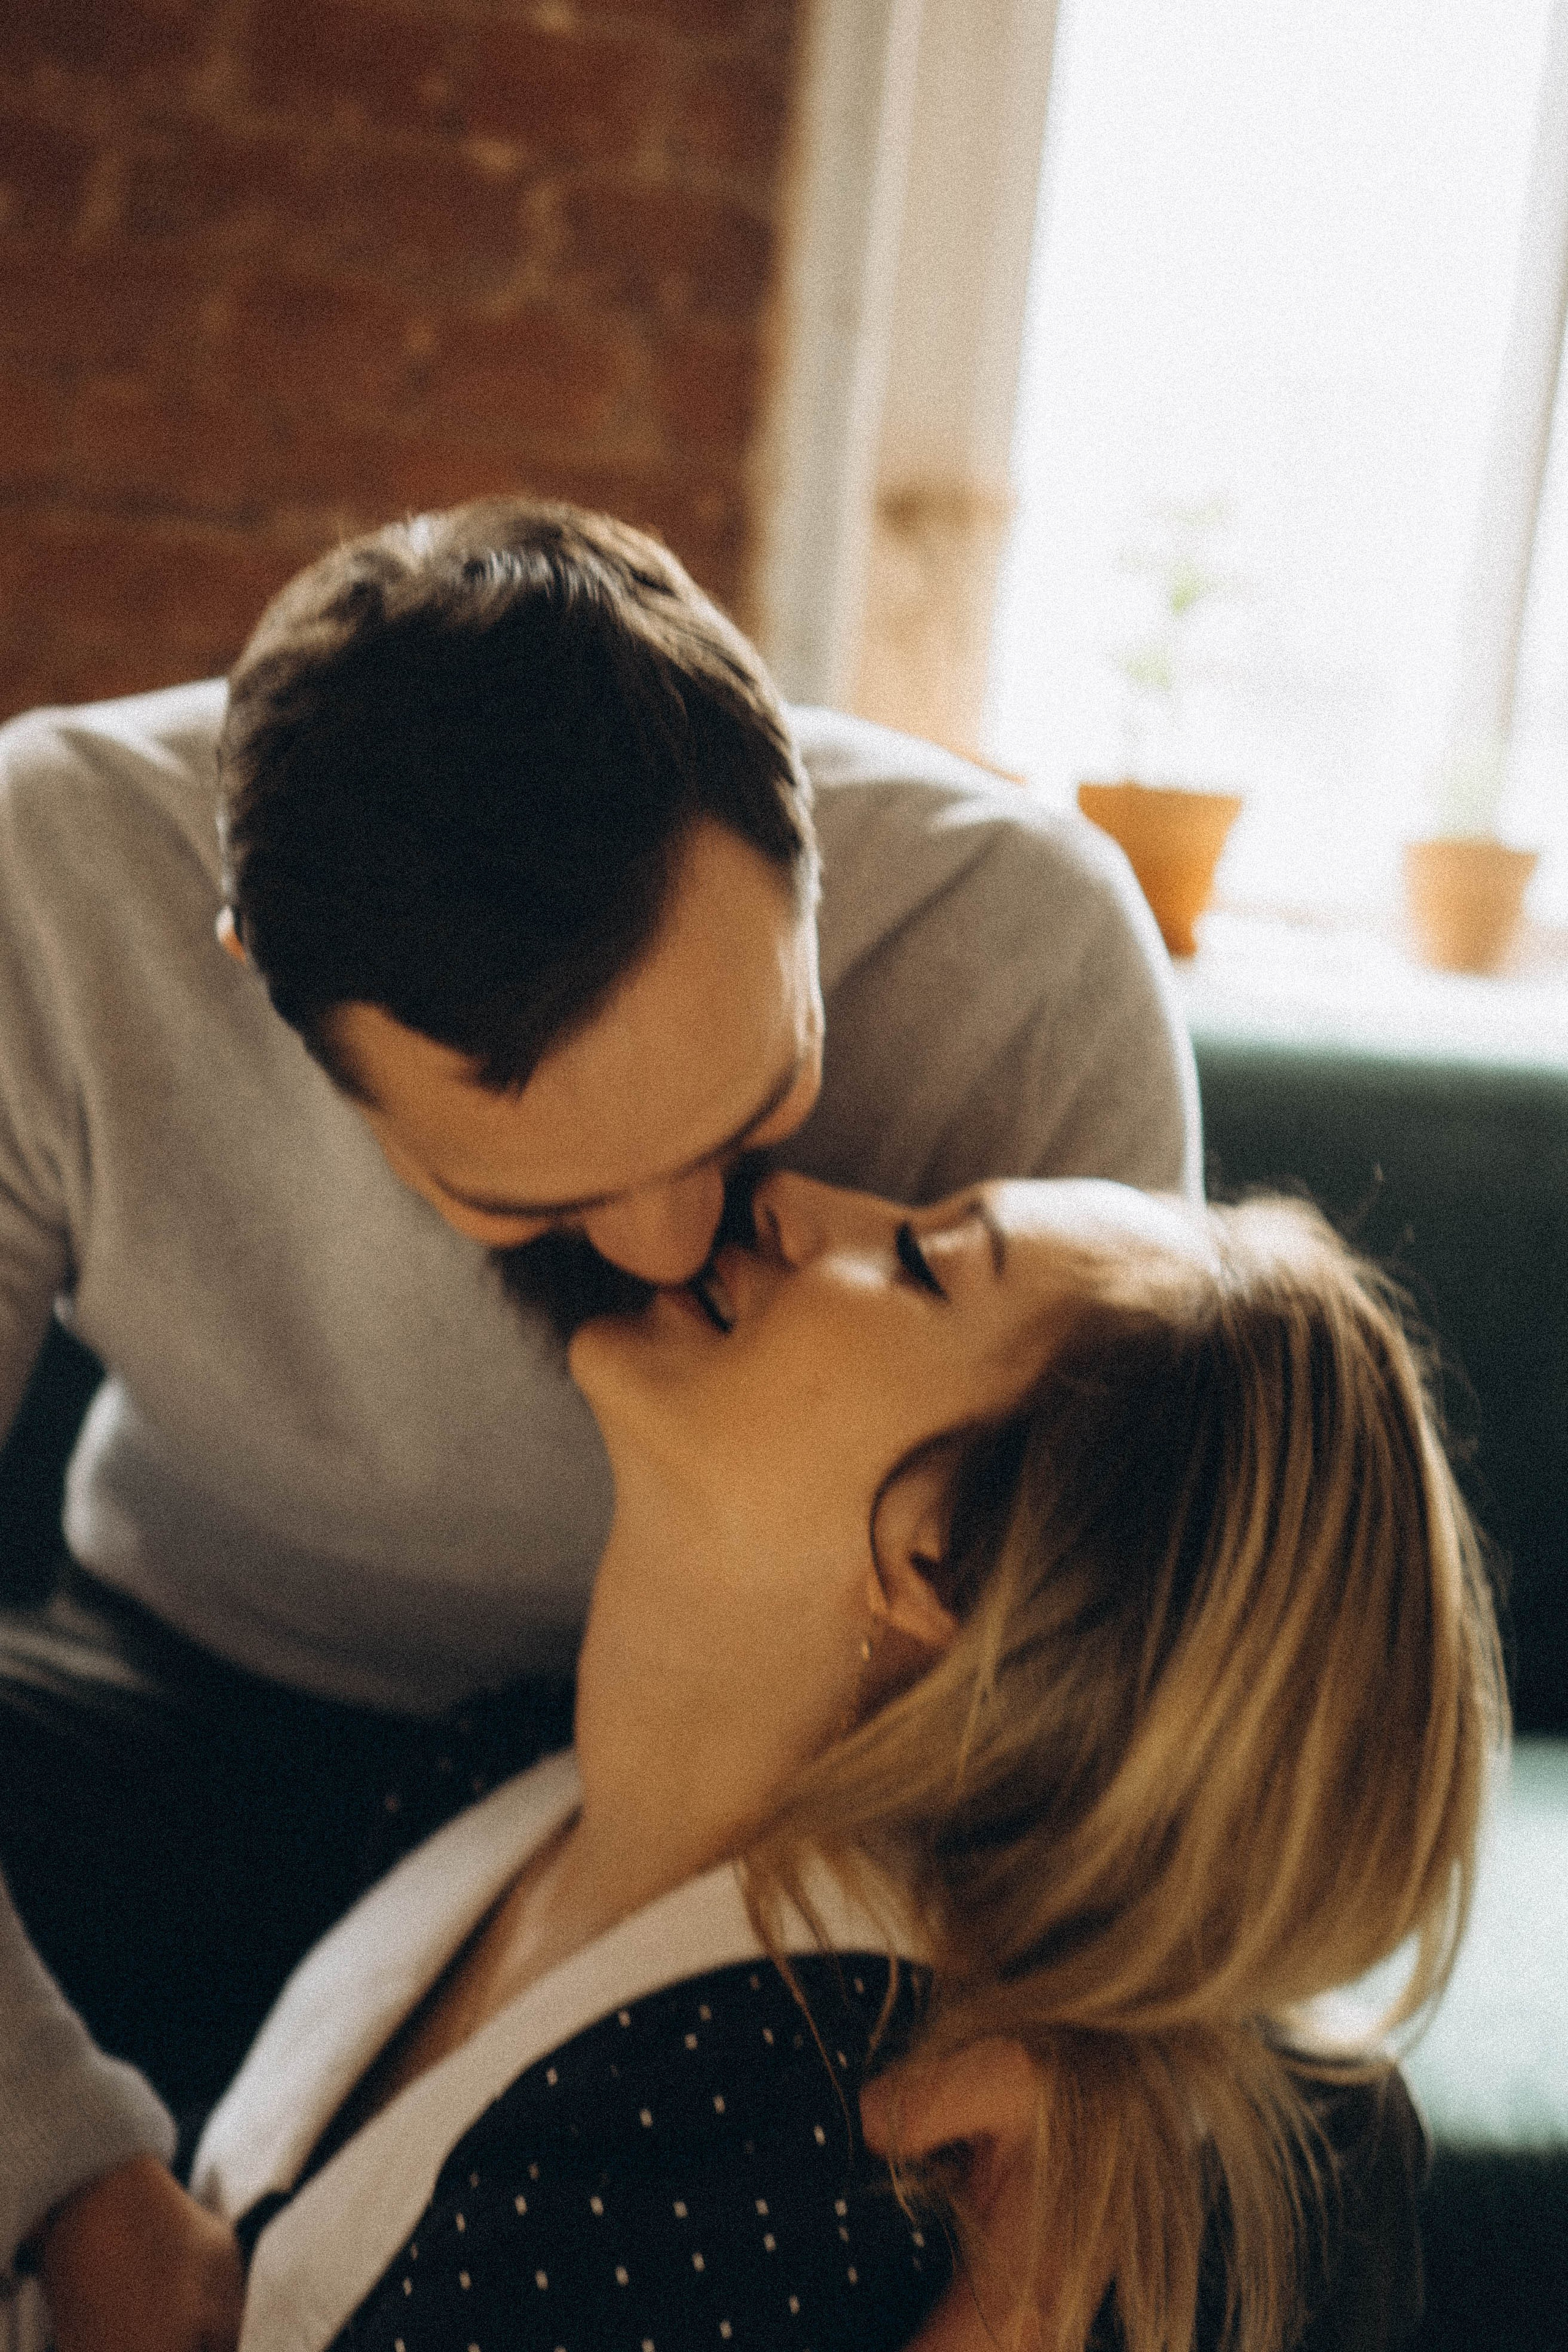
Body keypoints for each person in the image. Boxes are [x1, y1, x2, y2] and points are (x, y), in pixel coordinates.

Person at [0, 500, 1199, 2346]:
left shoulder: (1027, 951)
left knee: (1290, 2140)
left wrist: (1101, 2099)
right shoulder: (46, 885)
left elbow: (1173, 1663)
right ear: (268, 983)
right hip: (175, 1706)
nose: (688, 1243)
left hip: (767, 1807)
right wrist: (67, 2173)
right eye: (533, 1197)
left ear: (803, 815)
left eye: (762, 1107)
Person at [150, 1170, 1501, 2352]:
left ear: (939, 1561)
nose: (789, 1196)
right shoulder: (497, 1767)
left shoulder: (783, 2144)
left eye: (919, 1261)